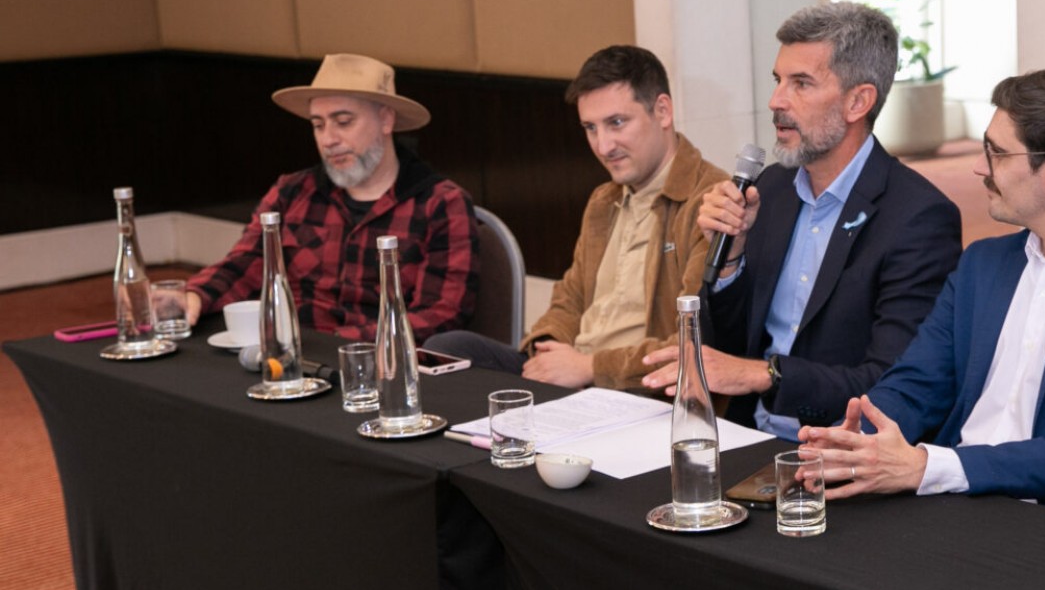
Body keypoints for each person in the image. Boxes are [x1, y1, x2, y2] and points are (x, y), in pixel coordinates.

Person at [798, 70, 1045, 522]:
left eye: (996, 152)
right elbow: (916, 385)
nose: (980, 166)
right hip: (951, 506)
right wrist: (854, 443)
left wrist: (928, 467)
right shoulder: (983, 264)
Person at [641, 2, 963, 438]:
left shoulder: (918, 218)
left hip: (840, 450)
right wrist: (731, 257)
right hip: (745, 433)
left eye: (801, 84)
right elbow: (727, 351)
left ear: (858, 102)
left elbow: (891, 384)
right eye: (778, 80)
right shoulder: (770, 189)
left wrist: (765, 375)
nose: (776, 101)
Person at [425, 45, 727, 390]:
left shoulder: (711, 201)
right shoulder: (603, 200)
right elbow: (568, 300)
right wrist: (548, 350)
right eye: (590, 128)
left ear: (662, 111)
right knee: (446, 349)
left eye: (616, 123)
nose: (603, 146)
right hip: (576, 377)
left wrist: (590, 367)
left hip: (633, 389)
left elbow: (692, 342)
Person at [186, 53, 478, 342]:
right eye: (318, 125)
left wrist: (333, 344)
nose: (328, 140)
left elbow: (440, 314)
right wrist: (194, 296)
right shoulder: (292, 192)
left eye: (343, 122)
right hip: (292, 353)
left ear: (386, 119)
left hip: (381, 359)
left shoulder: (440, 204)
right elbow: (247, 262)